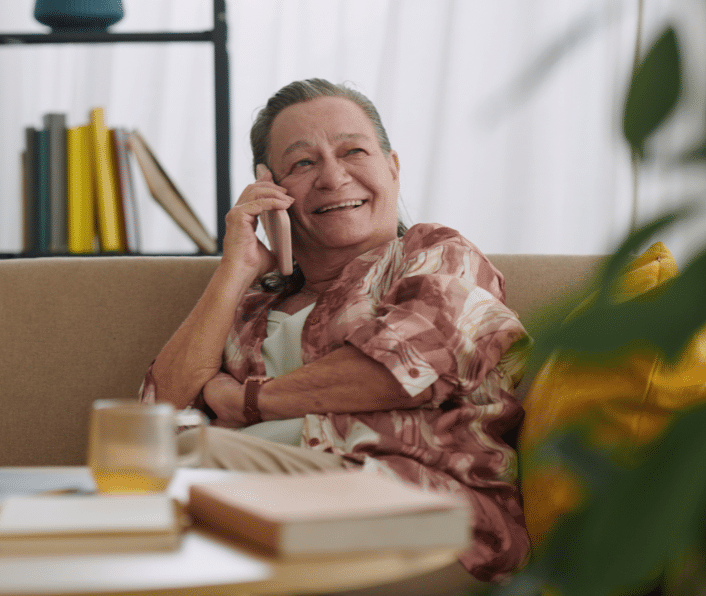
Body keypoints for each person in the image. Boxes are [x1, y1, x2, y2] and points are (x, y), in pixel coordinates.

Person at [140, 79, 530, 584]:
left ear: (392, 168)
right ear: (270, 189)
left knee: (194, 458)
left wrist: (245, 402)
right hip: (267, 512)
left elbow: (400, 370)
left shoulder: (435, 255)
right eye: (303, 163)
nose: (332, 176)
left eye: (353, 152)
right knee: (158, 463)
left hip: (419, 512)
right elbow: (153, 420)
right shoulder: (249, 306)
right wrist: (235, 270)